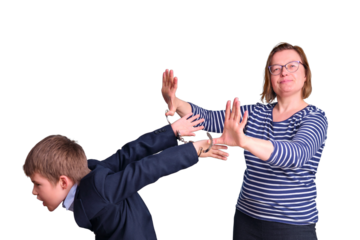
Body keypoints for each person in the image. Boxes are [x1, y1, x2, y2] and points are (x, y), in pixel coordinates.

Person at [160, 42, 330, 240]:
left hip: (293, 227)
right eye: (276, 68)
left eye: (292, 66)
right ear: (270, 78)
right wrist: (174, 100)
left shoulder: (316, 117)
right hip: (246, 221)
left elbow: (296, 155)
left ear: (305, 74)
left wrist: (244, 140)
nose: (284, 72)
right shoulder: (255, 113)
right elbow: (206, 118)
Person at [22, 113, 231, 240]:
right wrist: (171, 131)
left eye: (37, 184)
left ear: (63, 181)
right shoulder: (92, 171)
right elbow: (126, 155)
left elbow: (147, 169)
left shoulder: (94, 193)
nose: (33, 191)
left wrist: (193, 150)